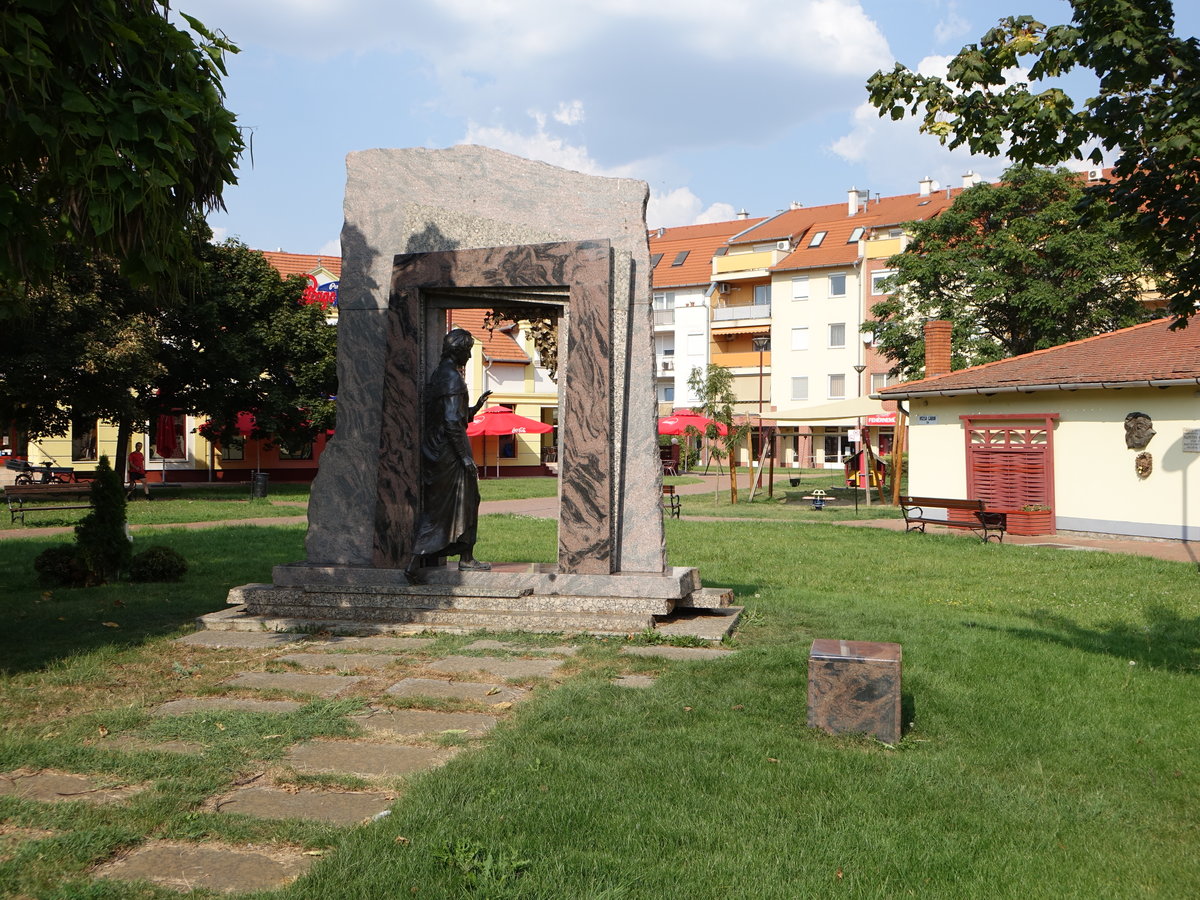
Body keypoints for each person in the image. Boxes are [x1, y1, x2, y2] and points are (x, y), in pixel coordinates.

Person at [405, 328, 492, 581]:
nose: (469, 356)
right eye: (468, 351)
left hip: (435, 449)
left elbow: (450, 415)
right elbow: (453, 421)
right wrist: (465, 457)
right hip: (449, 453)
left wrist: (474, 407)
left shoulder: (439, 375)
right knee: (464, 501)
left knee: (444, 506)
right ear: (461, 351)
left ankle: (449, 557)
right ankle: (450, 558)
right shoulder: (453, 378)